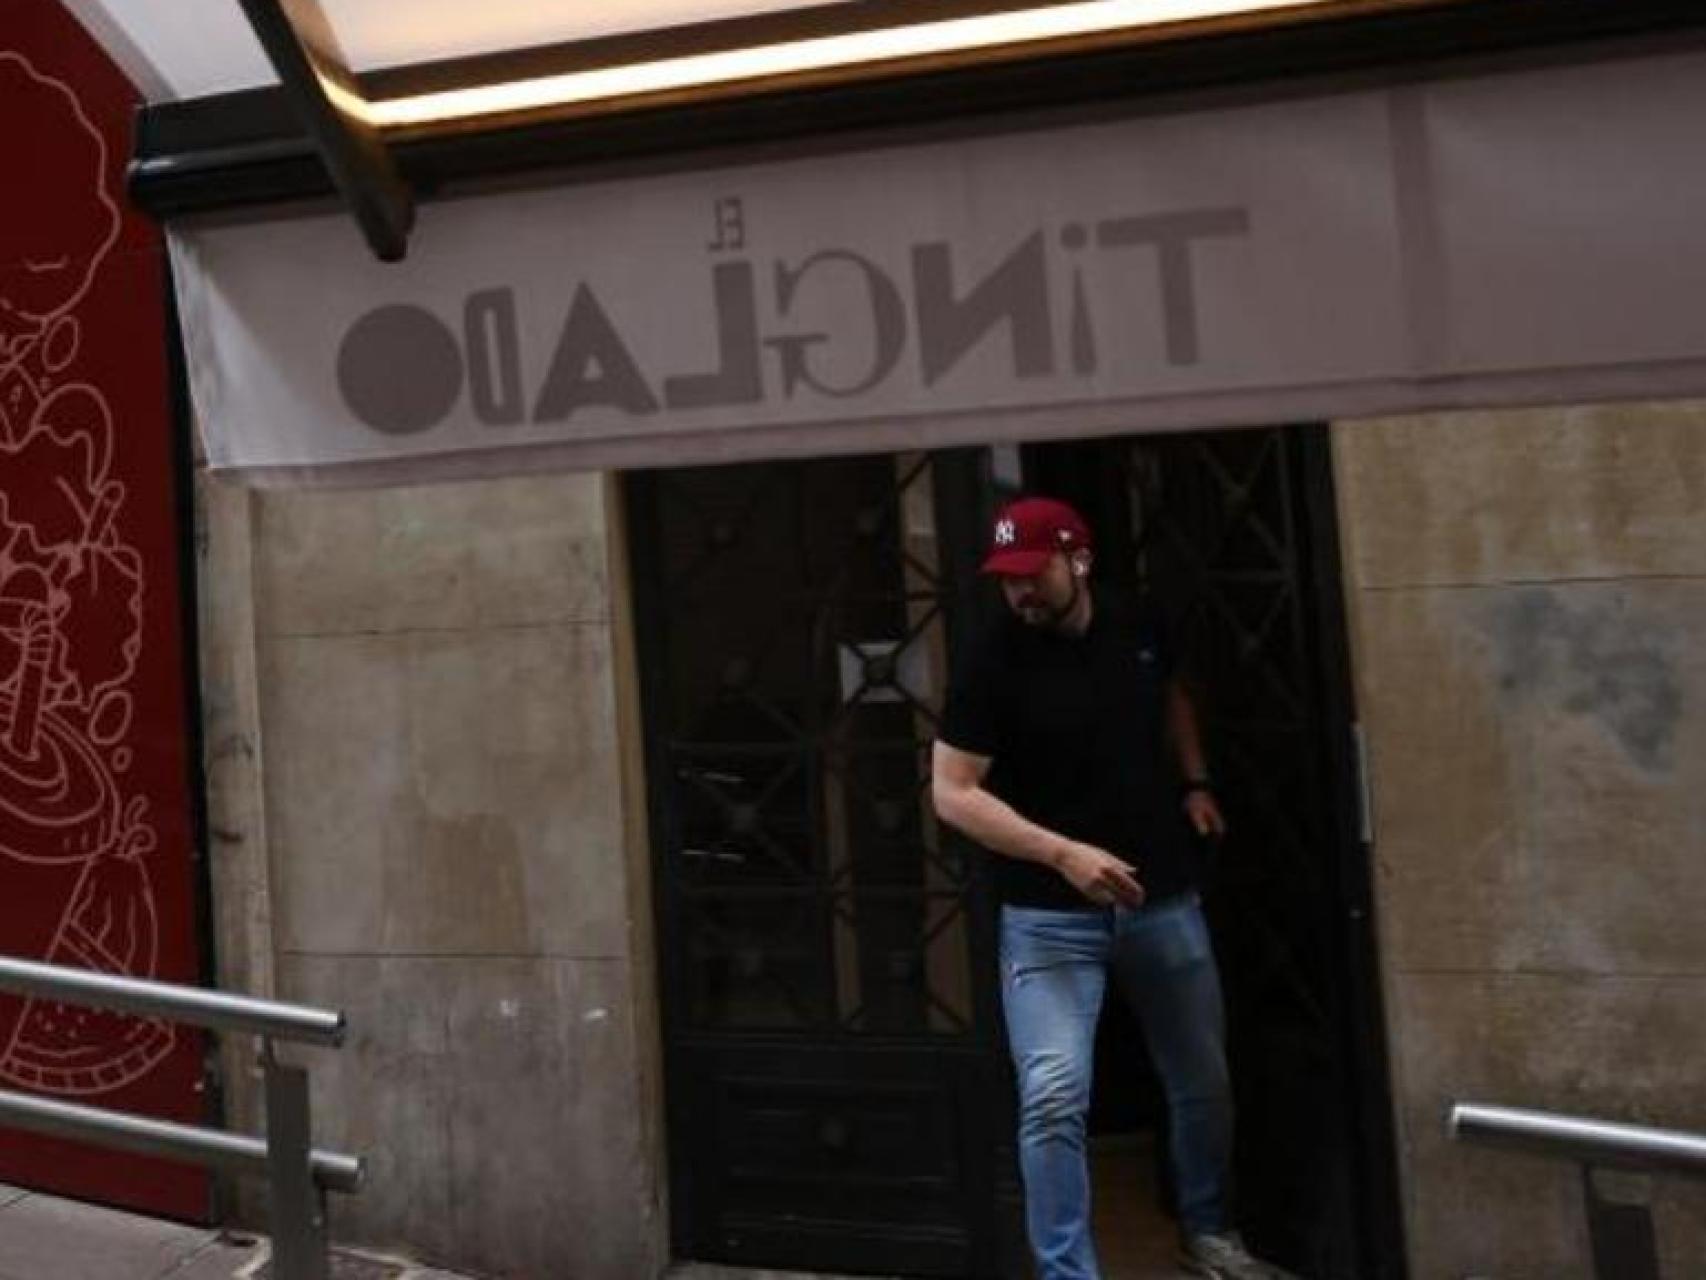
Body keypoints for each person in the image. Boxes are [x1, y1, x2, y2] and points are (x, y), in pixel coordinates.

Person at [931, 495, 1290, 1280]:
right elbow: (952, 791)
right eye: (1007, 579)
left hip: (1161, 899)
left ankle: (1208, 1234)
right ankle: (1068, 1272)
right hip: (1048, 917)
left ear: (1078, 562)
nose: (1020, 592)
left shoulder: (1138, 627)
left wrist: (1194, 781)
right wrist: (1062, 854)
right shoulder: (992, 660)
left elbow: (1172, 697)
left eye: (1034, 574)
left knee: (1202, 1081)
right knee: (1054, 1098)